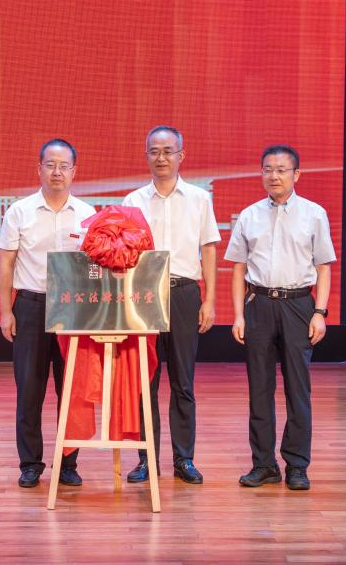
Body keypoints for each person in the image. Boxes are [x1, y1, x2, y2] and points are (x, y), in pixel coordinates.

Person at [227, 144, 336, 491]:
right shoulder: (249, 216)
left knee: (297, 389)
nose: (273, 176)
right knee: (259, 388)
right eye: (267, 169)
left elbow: (324, 267)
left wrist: (320, 312)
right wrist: (238, 315)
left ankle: (297, 465)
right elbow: (238, 269)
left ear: (296, 175)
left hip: (298, 305)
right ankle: (264, 464)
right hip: (258, 303)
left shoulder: (314, 214)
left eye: (281, 170)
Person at [122, 125, 220, 484]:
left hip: (183, 293)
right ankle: (146, 458)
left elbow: (208, 248)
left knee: (183, 380)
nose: (161, 157)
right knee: (144, 380)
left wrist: (209, 299)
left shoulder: (198, 199)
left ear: (181, 155)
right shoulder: (132, 201)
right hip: (143, 295)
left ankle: (184, 459)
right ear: (146, 155)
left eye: (167, 151)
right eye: (154, 151)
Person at [0, 138, 97, 488]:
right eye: (50, 165)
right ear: (38, 168)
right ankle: (30, 463)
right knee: (29, 389)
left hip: (73, 309)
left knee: (71, 390)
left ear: (74, 171)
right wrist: (6, 311)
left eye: (63, 166)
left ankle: (68, 463)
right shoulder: (19, 211)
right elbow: (6, 263)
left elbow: (94, 266)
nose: (57, 172)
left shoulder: (87, 214)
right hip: (30, 306)